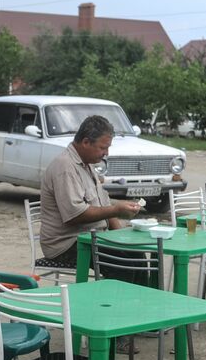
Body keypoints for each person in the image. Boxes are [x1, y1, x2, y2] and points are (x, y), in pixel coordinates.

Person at [39, 114, 141, 267]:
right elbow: (76, 215)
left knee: (138, 255)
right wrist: (116, 210)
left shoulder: (87, 163)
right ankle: (113, 292)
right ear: (86, 142)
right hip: (66, 245)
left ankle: (143, 292)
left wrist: (120, 237)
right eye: (103, 148)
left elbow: (104, 203)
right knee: (124, 264)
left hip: (90, 238)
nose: (106, 153)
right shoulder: (65, 166)